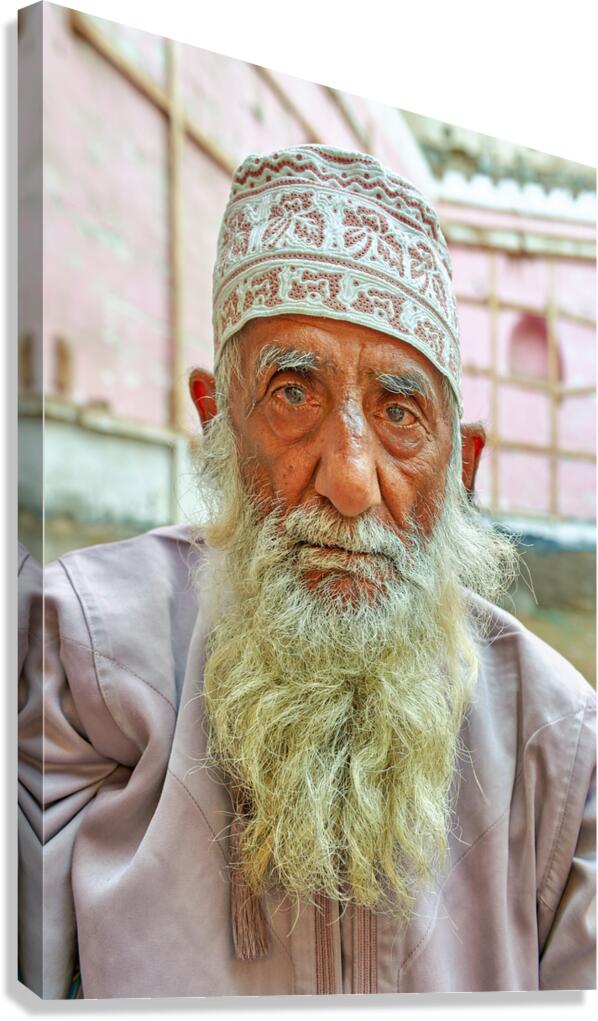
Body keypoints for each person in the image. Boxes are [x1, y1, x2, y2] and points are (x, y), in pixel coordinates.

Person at [18, 145, 595, 999]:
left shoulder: (560, 748)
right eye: (294, 394)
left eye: (400, 413)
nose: (350, 479)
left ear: (461, 467)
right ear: (218, 422)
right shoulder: (73, 658)